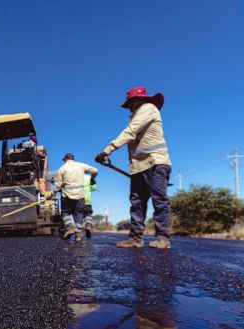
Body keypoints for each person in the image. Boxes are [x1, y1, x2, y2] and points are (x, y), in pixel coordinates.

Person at [95, 86, 172, 249]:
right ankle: (135, 238)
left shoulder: (148, 108)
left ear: (139, 100)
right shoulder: (135, 116)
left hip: (155, 163)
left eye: (130, 102)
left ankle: (162, 238)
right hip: (138, 167)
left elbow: (130, 132)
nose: (128, 106)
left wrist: (107, 150)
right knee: (137, 203)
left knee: (159, 200)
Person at [48, 153, 98, 242]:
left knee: (65, 213)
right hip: (80, 196)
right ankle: (78, 235)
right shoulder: (81, 165)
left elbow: (58, 185)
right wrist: (92, 178)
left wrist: (52, 193)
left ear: (65, 159)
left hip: (67, 196)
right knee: (78, 214)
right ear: (72, 159)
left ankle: (70, 228)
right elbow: (95, 170)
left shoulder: (62, 168)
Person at [83, 174, 98, 238]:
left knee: (78, 216)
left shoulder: (75, 176)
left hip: (77, 199)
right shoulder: (89, 177)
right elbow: (94, 188)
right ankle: (88, 225)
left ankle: (78, 234)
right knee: (88, 214)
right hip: (87, 199)